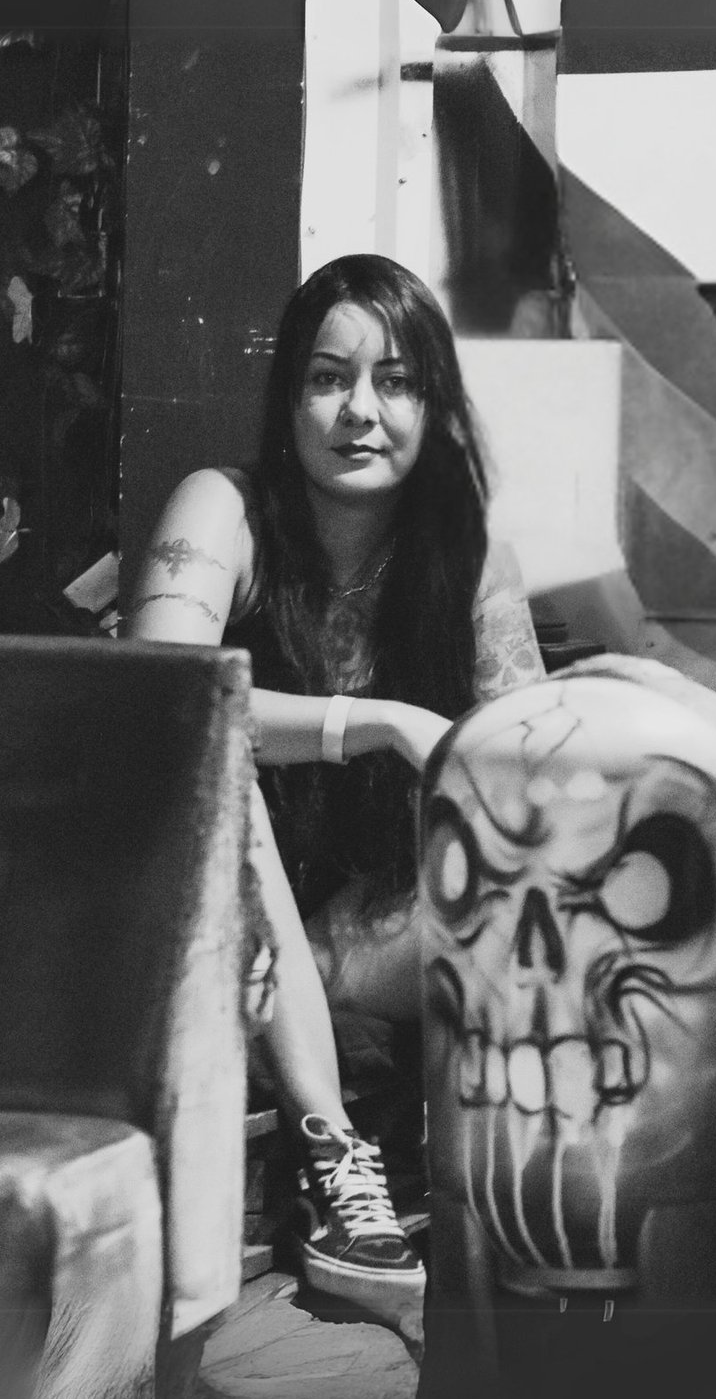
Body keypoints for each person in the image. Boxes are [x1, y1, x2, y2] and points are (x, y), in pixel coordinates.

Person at [124, 254, 543, 1321]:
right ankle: (333, 1152)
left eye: (396, 382)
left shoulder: (464, 550)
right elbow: (167, 699)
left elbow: (521, 753)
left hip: (372, 935)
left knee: (539, 871)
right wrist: (374, 722)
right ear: (289, 400)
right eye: (328, 378)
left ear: (432, 403)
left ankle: (538, 1204)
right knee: (223, 768)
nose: (361, 410)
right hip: (209, 932)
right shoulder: (225, 508)